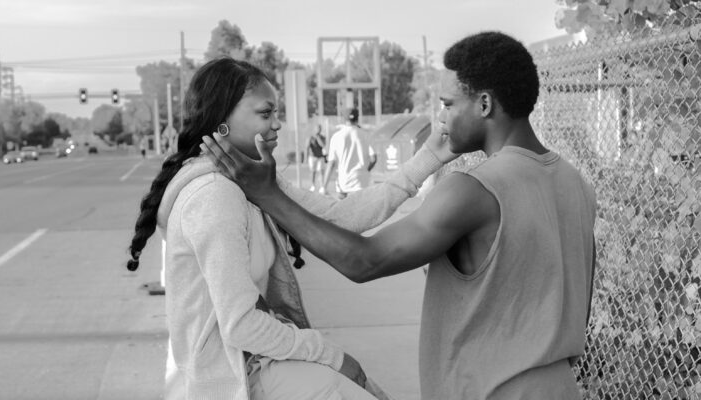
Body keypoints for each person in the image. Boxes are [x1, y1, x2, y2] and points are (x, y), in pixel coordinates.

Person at [202, 32, 597, 400]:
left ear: (484, 104)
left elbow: (364, 260)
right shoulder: (575, 183)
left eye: (448, 104)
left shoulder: (472, 190)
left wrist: (267, 194)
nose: (441, 118)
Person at [126, 57, 457, 400]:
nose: (277, 123)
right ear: (222, 121)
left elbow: (342, 216)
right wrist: (330, 355)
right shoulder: (213, 195)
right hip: (233, 378)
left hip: (261, 360)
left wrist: (430, 156)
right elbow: (241, 325)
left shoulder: (252, 181)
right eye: (265, 113)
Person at [322, 108, 377, 198]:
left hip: (343, 181)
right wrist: (365, 170)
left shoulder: (336, 136)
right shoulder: (365, 135)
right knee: (360, 205)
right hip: (361, 181)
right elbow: (373, 159)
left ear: (344, 119)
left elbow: (331, 163)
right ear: (357, 118)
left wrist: (324, 186)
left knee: (343, 206)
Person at [305, 123, 327, 192]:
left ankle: (322, 187)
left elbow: (323, 145)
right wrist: (305, 158)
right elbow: (307, 148)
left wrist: (318, 138)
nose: (319, 130)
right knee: (313, 172)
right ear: (315, 129)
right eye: (317, 128)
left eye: (320, 128)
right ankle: (313, 186)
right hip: (312, 157)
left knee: (321, 171)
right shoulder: (310, 137)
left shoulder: (322, 137)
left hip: (320, 157)